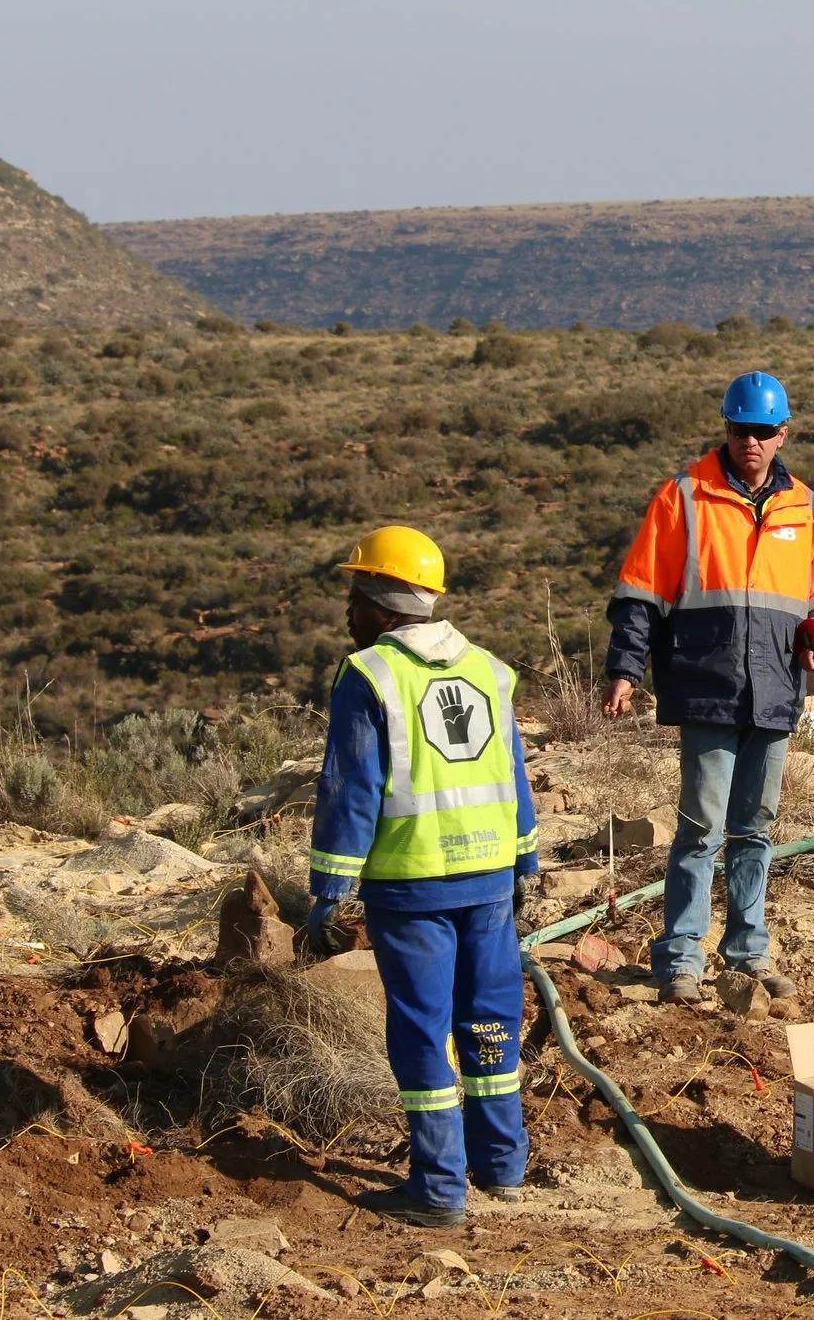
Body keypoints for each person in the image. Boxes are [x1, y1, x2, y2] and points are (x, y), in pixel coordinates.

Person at [305, 525, 540, 1229]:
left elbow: (350, 790)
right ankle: (503, 1167)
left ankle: (439, 1189)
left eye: (355, 596)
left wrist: (327, 892)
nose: (348, 613)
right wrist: (524, 860)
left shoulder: (369, 675)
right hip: (490, 881)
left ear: (381, 603)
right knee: (491, 1024)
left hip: (413, 890)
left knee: (422, 1033)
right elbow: (514, 779)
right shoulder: (488, 671)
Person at [602, 371, 814, 1004]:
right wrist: (625, 671)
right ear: (727, 430)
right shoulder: (683, 497)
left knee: (755, 829)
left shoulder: (806, 508)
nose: (752, 443)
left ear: (783, 434)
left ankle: (747, 953)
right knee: (700, 828)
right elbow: (640, 595)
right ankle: (681, 958)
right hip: (706, 685)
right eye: (742, 431)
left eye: (764, 433)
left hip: (775, 691)